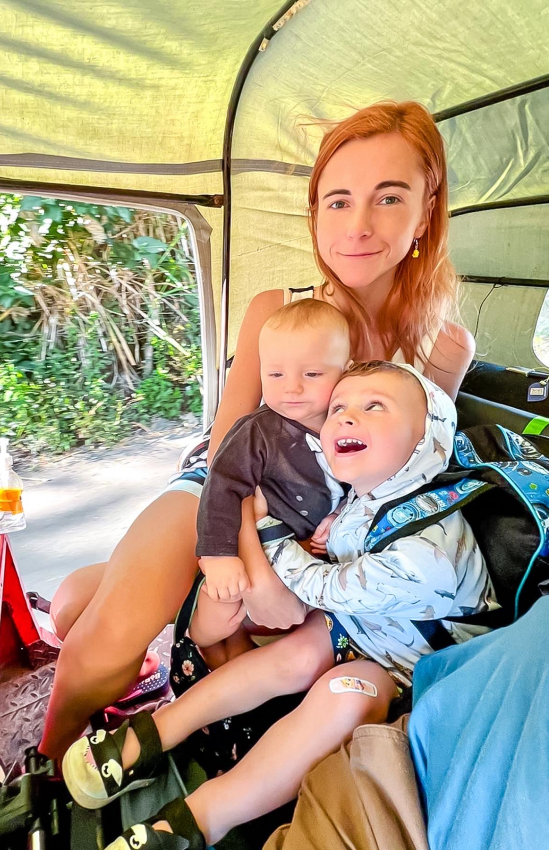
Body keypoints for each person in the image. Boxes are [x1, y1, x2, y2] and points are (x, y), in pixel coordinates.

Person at [40, 100, 476, 761]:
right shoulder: (277, 310)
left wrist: (314, 562)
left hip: (329, 526)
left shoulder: (445, 348)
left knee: (79, 607)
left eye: (388, 198)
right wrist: (257, 569)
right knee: (102, 638)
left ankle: (134, 598)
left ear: (426, 211)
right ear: (314, 215)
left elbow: (408, 480)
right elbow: (224, 456)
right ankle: (45, 774)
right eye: (338, 201)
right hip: (231, 494)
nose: (358, 225)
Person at [61, 362, 494, 850]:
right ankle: (152, 736)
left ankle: (198, 820)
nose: (347, 418)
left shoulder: (431, 551)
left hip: (419, 669)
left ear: (429, 440)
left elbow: (321, 587)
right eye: (338, 408)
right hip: (369, 630)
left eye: (373, 406)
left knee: (346, 693)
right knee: (299, 653)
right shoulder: (368, 497)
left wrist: (269, 529)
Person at [190, 297, 348, 661]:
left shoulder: (347, 426)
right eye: (275, 375)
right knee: (224, 603)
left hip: (310, 558)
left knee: (288, 631)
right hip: (254, 551)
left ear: (345, 370)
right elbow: (222, 486)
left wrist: (339, 517)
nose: (291, 388)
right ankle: (198, 642)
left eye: (311, 375)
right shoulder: (257, 431)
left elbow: (366, 485)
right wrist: (218, 555)